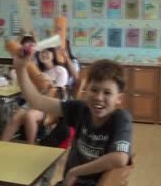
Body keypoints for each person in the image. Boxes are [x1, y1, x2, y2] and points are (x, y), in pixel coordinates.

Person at [14, 50, 132, 186]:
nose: (99, 97)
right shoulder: (80, 109)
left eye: (107, 93)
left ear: (119, 99)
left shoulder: (121, 118)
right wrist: (20, 68)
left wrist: (75, 172)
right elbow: (37, 101)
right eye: (94, 90)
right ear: (86, 90)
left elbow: (120, 158)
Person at [1, 47, 68, 144]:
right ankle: (1, 144)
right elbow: (30, 88)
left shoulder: (60, 70)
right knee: (15, 118)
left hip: (51, 104)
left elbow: (60, 92)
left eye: (47, 52)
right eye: (41, 52)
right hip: (34, 101)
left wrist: (50, 81)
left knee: (30, 116)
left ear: (53, 54)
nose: (44, 54)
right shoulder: (35, 69)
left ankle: (31, 146)